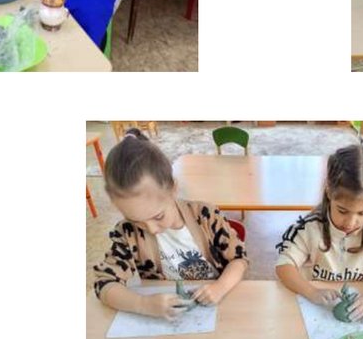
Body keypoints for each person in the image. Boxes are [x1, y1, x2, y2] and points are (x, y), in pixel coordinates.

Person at [92, 129, 249, 320]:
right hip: (168, 321)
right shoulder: (126, 233)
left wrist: (220, 287)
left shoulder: (205, 216)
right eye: (136, 221)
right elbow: (104, 284)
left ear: (173, 189)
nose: (151, 229)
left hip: (219, 309)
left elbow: (239, 260)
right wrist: (143, 304)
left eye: (158, 216)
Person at [275, 145, 363, 321]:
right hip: (316, 309)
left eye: (362, 213)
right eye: (343, 211)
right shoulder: (309, 229)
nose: (351, 223)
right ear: (329, 192)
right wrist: (311, 292)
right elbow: (284, 266)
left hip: (357, 310)